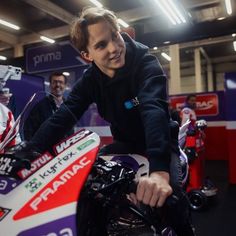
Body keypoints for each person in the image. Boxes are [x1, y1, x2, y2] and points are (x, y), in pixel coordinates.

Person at [17, 7, 194, 235]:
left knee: (172, 198)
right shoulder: (91, 79)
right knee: (89, 189)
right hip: (124, 143)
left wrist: (160, 173)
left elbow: (153, 110)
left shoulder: (145, 62)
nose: (114, 48)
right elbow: (66, 113)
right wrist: (29, 152)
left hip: (161, 143)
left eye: (115, 36)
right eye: (101, 45)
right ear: (87, 55)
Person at [23, 71, 72, 141]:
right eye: (54, 82)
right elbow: (28, 129)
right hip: (45, 150)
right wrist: (31, 148)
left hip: (65, 149)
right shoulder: (40, 106)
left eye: (61, 82)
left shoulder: (68, 106)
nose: (57, 85)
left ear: (65, 86)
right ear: (50, 85)